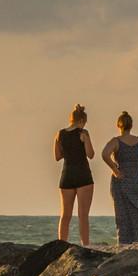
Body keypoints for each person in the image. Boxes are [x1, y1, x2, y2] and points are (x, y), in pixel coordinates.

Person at [102, 110, 138, 245]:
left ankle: (124, 241)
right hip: (137, 178)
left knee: (122, 211)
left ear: (118, 125)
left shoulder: (116, 141)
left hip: (121, 178)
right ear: (131, 125)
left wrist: (115, 169)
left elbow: (105, 154)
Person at [54, 104, 96, 246]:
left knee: (65, 215)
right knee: (83, 215)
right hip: (83, 175)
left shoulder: (60, 134)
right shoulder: (83, 133)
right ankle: (85, 244)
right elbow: (91, 154)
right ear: (82, 121)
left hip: (67, 175)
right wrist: (86, 140)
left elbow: (57, 156)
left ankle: (61, 244)